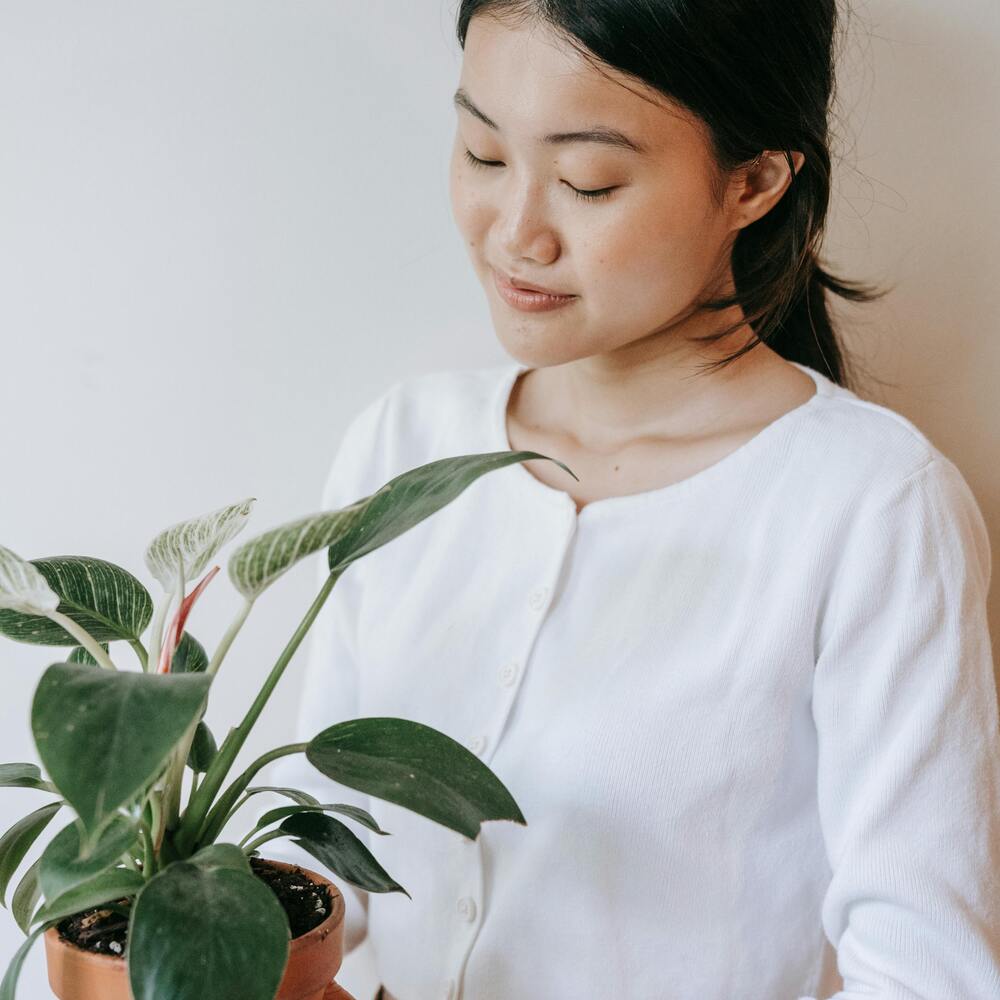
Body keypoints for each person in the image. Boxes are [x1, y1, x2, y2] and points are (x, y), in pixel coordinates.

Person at [266, 2, 1000, 998]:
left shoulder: (869, 506)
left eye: (586, 181)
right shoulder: (403, 445)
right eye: (483, 153)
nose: (516, 231)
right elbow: (320, 854)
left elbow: (925, 977)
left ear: (752, 181)